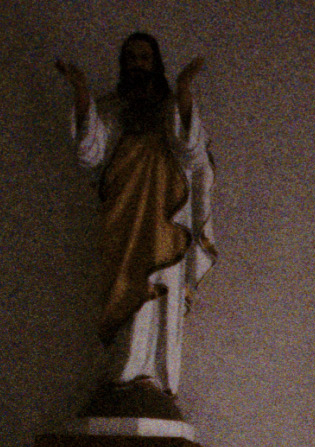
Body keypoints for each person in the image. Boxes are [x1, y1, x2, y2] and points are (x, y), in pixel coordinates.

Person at [55, 33, 216, 420]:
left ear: (157, 62)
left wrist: (183, 90)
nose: (138, 63)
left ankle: (154, 381)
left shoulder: (169, 110)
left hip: (166, 218)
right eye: (131, 57)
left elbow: (191, 152)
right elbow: (89, 153)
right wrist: (81, 94)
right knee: (124, 289)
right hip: (124, 218)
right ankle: (121, 376)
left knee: (161, 292)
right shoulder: (112, 109)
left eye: (145, 56)